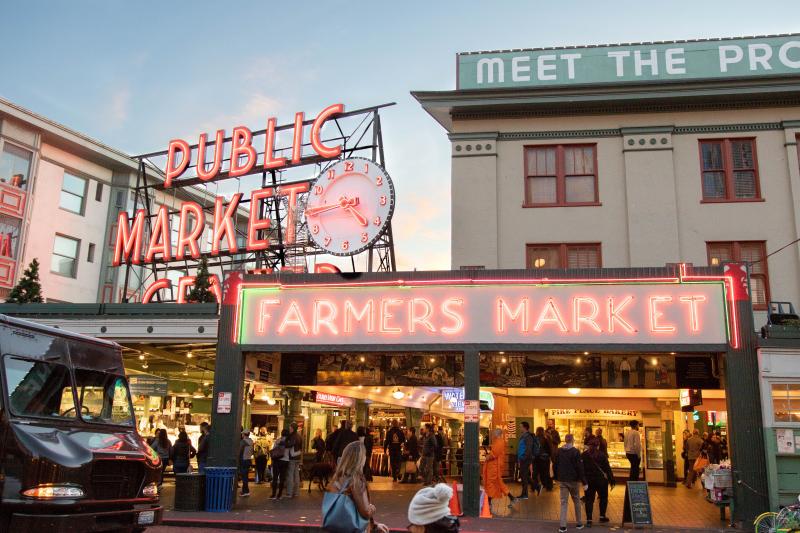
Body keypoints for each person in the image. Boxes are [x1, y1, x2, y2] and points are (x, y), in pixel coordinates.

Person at [326, 440, 390, 533]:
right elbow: (365, 512)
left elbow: (349, 509)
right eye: (364, 455)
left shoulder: (336, 479)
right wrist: (372, 508)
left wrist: (374, 524)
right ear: (360, 459)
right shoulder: (356, 480)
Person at [554, 434, 586, 533]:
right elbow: (580, 468)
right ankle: (579, 523)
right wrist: (584, 481)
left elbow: (555, 464)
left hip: (563, 480)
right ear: (572, 440)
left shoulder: (559, 451)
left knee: (563, 502)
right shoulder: (575, 452)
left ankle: (562, 526)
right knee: (576, 500)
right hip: (574, 481)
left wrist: (556, 477)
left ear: (565, 440)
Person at [582, 437, 614, 526]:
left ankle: (589, 520)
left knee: (589, 500)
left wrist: (582, 480)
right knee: (603, 498)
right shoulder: (602, 455)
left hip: (589, 480)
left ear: (589, 445)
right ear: (598, 445)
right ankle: (602, 516)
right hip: (601, 481)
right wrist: (611, 480)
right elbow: (607, 468)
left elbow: (581, 468)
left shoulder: (584, 455)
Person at [482, 428, 511, 509]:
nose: (492, 435)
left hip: (494, 467)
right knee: (497, 482)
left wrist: (488, 457)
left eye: (494, 433)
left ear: (497, 434)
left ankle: (488, 502)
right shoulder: (499, 441)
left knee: (490, 483)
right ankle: (512, 498)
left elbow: (494, 454)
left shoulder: (499, 442)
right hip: (494, 466)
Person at [515, 421, 537, 499]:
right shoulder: (524, 436)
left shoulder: (528, 437)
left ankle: (525, 494)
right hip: (523, 458)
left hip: (525, 459)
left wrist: (524, 457)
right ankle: (537, 486)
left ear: (524, 427)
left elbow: (528, 449)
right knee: (524, 475)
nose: (519, 428)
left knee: (524, 476)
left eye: (520, 426)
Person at [270, 429, 290, 499]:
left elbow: (274, 449)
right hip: (285, 461)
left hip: (277, 460)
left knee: (275, 478)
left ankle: (273, 494)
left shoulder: (278, 440)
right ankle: (279, 494)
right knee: (282, 478)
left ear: (282, 434)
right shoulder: (289, 442)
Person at [285, 423, 302, 498]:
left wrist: (284, 443)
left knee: (290, 475)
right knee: (296, 475)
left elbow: (290, 445)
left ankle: (289, 492)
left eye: (290, 427)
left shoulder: (292, 436)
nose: (289, 429)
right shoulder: (299, 436)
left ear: (292, 428)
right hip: (298, 456)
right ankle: (296, 492)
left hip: (292, 456)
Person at [534, 427, 553, 491]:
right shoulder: (546, 438)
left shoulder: (535, 438)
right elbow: (550, 448)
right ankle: (548, 486)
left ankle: (535, 486)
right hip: (545, 458)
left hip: (536, 458)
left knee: (536, 473)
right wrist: (550, 456)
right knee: (546, 472)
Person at [239, 429, 254, 496]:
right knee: (246, 476)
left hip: (243, 459)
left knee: (244, 476)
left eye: (242, 434)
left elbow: (239, 452)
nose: (242, 435)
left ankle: (245, 491)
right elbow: (252, 451)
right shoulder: (251, 441)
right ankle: (246, 490)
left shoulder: (243, 442)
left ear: (244, 434)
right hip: (248, 459)